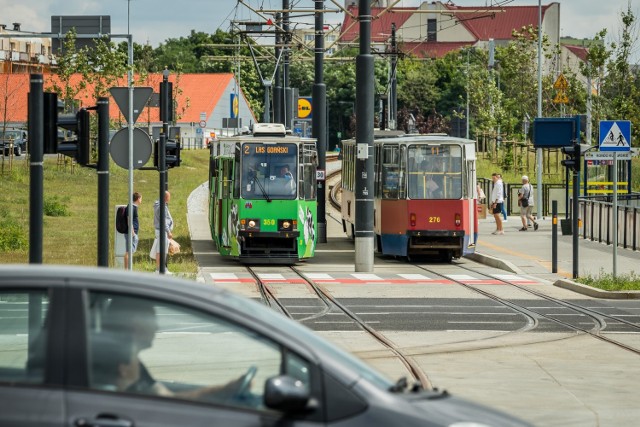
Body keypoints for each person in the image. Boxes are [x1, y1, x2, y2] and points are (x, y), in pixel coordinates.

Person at [96, 297, 251, 400]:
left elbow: (167, 398)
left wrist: (225, 390)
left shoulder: (131, 361)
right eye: (151, 318)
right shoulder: (115, 364)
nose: (156, 326)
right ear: (134, 322)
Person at [152, 191, 174, 274]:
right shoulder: (162, 207)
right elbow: (164, 220)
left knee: (160, 250)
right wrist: (168, 231)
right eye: (169, 196)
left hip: (159, 230)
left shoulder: (157, 204)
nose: (170, 198)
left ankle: (160, 268)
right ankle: (160, 269)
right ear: (166, 197)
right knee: (162, 251)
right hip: (162, 231)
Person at [124, 192, 142, 270]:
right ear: (138, 199)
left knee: (130, 251)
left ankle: (128, 269)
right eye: (141, 198)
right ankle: (127, 270)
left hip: (132, 232)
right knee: (129, 252)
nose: (141, 200)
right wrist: (133, 233)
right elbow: (129, 220)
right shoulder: (131, 207)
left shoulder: (133, 207)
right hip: (131, 233)